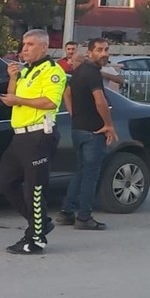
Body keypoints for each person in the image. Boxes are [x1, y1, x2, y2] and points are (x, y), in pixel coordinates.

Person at [0, 29, 68, 255]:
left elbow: (50, 102)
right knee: (7, 182)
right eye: (24, 44)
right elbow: (12, 100)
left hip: (39, 135)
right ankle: (40, 223)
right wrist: (12, 78)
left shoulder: (53, 72)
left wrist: (18, 98)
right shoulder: (26, 72)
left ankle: (36, 239)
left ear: (43, 47)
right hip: (20, 135)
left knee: (35, 189)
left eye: (29, 44)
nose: (24, 49)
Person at [58, 38, 118, 230]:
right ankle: (84, 217)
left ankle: (67, 211)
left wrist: (73, 113)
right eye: (99, 50)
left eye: (106, 50)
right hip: (93, 131)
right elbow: (100, 101)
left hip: (78, 129)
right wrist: (109, 125)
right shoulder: (92, 73)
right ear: (90, 52)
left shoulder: (78, 71)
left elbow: (66, 92)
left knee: (81, 171)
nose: (104, 53)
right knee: (91, 175)